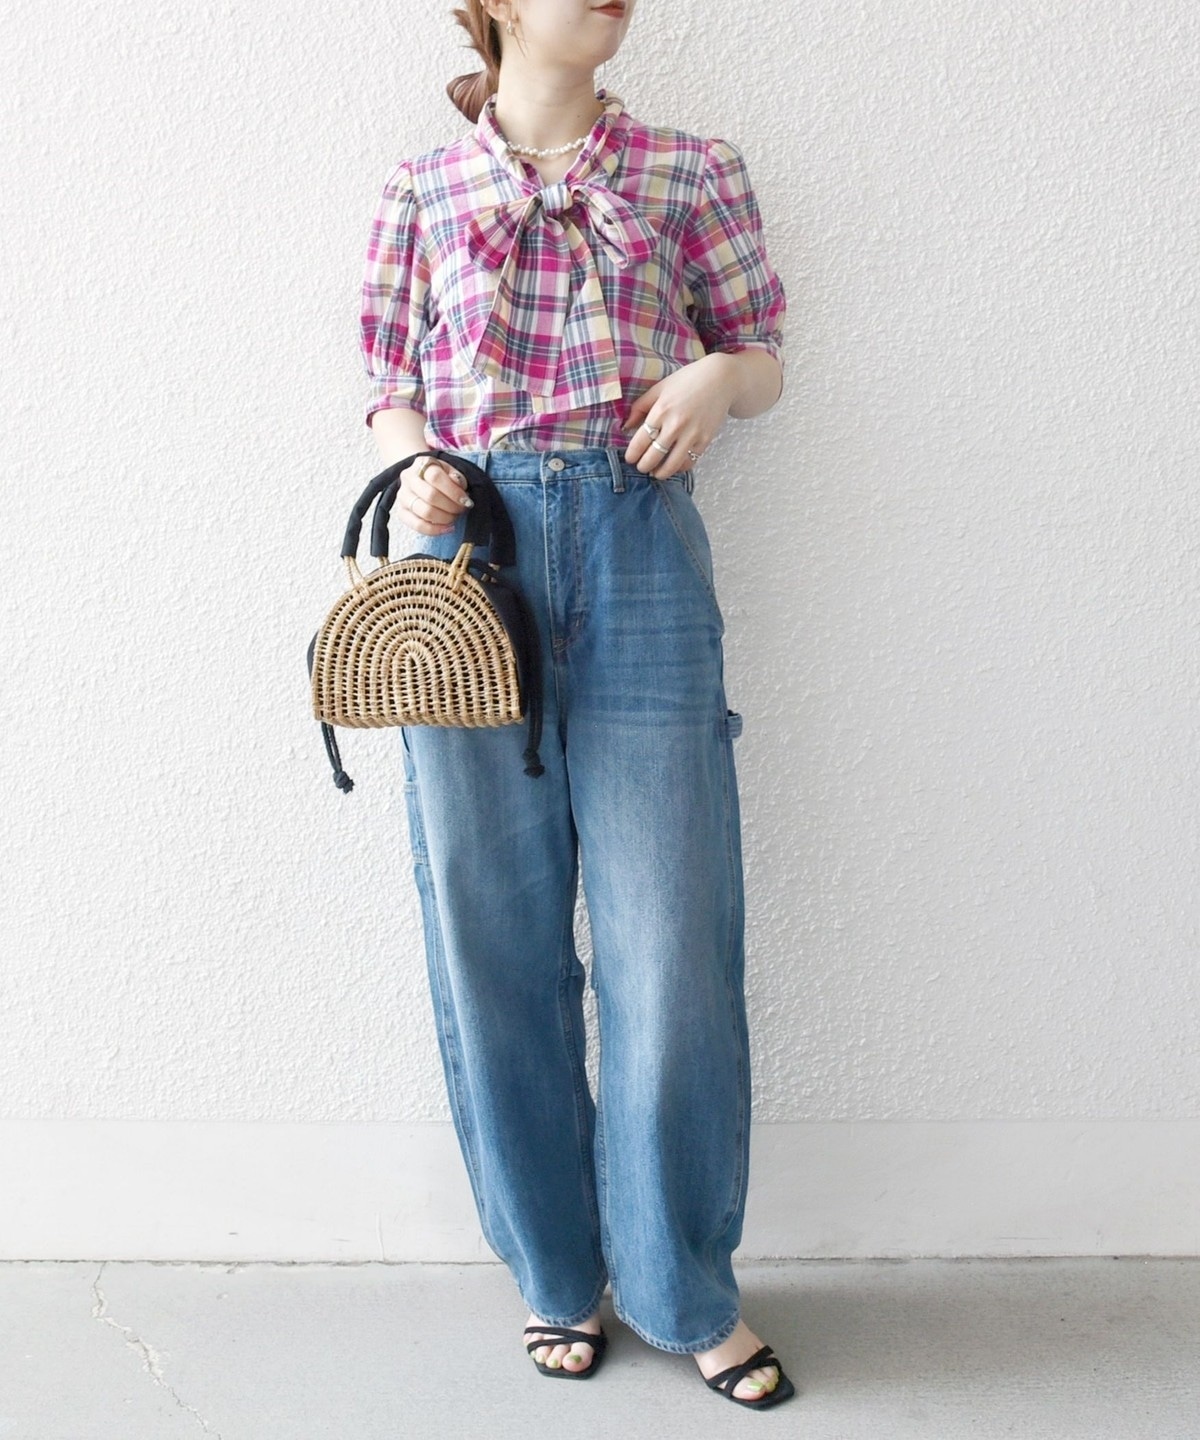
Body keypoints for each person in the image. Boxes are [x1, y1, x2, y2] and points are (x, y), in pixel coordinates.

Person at [360, 0, 793, 1410]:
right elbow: (388, 385)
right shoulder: (423, 188)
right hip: (467, 565)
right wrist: (417, 464)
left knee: (671, 938)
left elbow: (761, 353)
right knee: (491, 929)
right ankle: (556, 1273)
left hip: (640, 541)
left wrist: (719, 379)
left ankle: (683, 1287)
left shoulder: (691, 169)